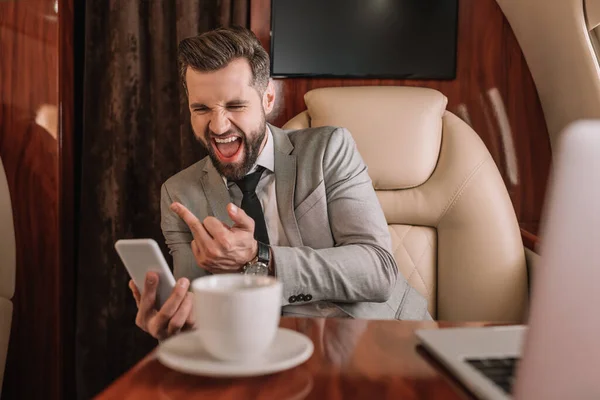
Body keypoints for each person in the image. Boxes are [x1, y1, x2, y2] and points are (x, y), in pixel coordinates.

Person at [130, 26, 430, 340]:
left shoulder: (329, 150)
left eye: (235, 106)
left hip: (384, 338)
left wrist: (261, 258)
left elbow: (378, 270)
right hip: (268, 354)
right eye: (201, 109)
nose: (217, 126)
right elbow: (198, 311)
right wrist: (176, 322)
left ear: (268, 98)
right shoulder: (179, 193)